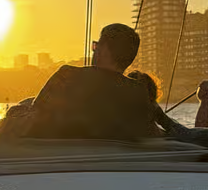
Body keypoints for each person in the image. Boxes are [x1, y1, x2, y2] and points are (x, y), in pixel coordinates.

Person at [20, 23, 160, 140]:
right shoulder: (139, 92)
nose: (94, 50)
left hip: (59, 152)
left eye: (96, 45)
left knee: (19, 110)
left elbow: (35, 115)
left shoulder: (67, 76)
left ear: (103, 50)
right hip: (116, 157)